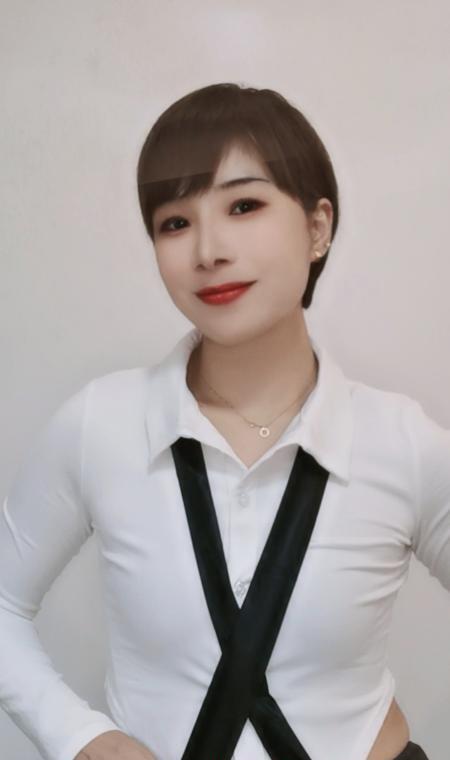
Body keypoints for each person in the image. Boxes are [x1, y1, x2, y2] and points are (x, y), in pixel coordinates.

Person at [0, 82, 447, 760]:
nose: (208, 250)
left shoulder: (401, 442)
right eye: (174, 222)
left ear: (318, 227)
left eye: (244, 205)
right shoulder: (100, 426)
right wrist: (81, 739)